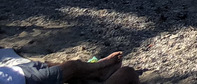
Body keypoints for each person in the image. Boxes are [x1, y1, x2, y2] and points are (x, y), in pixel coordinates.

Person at [0, 48, 138, 83]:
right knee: (73, 67)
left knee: (47, 65)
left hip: (17, 72)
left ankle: (93, 71)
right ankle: (98, 68)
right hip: (24, 79)